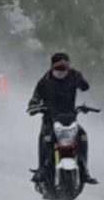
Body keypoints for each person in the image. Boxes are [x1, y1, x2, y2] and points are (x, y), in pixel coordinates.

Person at [27, 52, 98, 185]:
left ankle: (84, 169)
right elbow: (35, 97)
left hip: (70, 119)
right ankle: (42, 169)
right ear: (52, 66)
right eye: (58, 67)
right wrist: (34, 106)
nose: (61, 70)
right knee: (45, 137)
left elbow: (86, 89)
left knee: (82, 135)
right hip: (50, 119)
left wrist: (87, 105)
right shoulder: (45, 80)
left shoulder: (74, 76)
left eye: (64, 67)